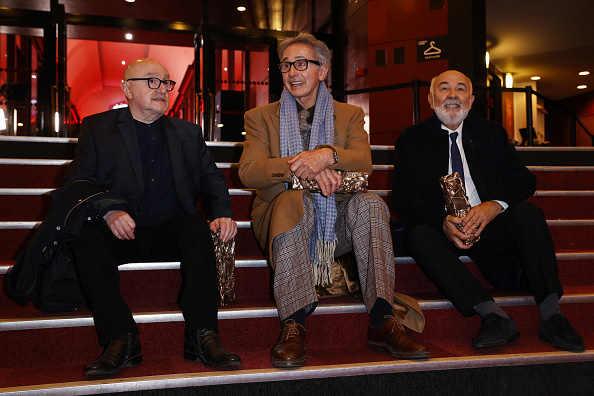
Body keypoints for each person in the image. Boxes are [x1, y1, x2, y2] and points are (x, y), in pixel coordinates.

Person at [239, 32, 429, 369]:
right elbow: (250, 172)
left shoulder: (349, 115)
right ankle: (293, 324)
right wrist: (305, 168)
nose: (292, 73)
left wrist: (327, 155)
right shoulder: (260, 117)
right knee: (292, 200)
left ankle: (383, 320)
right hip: (282, 217)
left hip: (336, 221)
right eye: (286, 66)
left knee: (371, 203)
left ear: (323, 70)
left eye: (301, 64)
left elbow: (362, 161)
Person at [66, 58, 241, 376]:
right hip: (118, 231)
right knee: (85, 234)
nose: (162, 89)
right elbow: (79, 182)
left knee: (196, 229)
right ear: (126, 88)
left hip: (168, 229)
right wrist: (109, 210)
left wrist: (223, 214)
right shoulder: (97, 128)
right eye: (152, 81)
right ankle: (122, 338)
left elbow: (212, 179)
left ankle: (202, 335)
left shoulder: (188, 133)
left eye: (166, 82)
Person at [392, 69, 585, 352]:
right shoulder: (412, 139)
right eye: (444, 89)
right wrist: (442, 220)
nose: (453, 95)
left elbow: (524, 179)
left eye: (460, 89)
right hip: (444, 232)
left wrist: (492, 206)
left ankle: (552, 315)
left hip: (488, 227)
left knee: (529, 214)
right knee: (418, 235)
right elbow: (403, 197)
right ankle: (492, 315)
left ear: (470, 100)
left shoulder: (490, 133)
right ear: (431, 99)